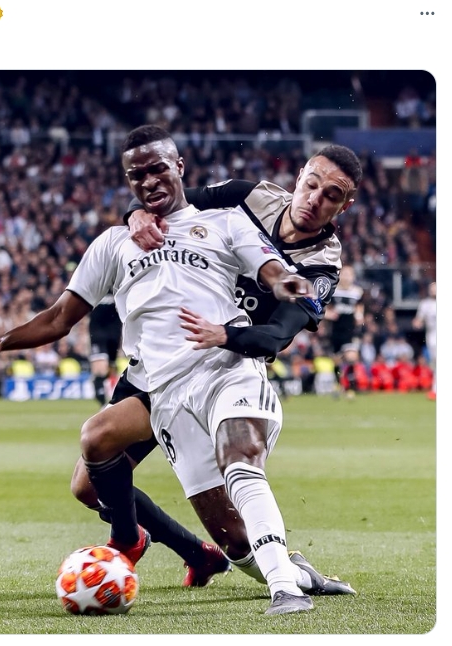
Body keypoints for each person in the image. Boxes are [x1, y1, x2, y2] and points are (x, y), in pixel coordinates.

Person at [0, 124, 319, 615]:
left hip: (219, 366)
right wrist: (0, 340)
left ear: (179, 166)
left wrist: (292, 285)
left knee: (233, 460)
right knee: (106, 471)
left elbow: (274, 272)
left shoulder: (224, 223)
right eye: (136, 175)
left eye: (158, 168)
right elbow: (59, 317)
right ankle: (225, 558)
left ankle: (280, 585)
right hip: (157, 386)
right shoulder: (113, 244)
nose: (148, 181)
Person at [70, 141, 362, 599]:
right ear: (299, 178)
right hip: (158, 363)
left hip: (220, 369)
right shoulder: (249, 196)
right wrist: (135, 214)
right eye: (311, 185)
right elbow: (169, 198)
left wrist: (224, 334)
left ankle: (286, 573)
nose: (314, 199)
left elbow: (275, 337)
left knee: (236, 531)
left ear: (345, 205)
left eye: (331, 196)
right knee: (89, 486)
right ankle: (196, 553)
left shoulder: (320, 268)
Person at [88, 292, 123, 406]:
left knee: (111, 367)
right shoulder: (95, 284)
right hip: (97, 330)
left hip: (115, 330)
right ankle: (101, 398)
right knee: (100, 368)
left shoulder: (122, 283)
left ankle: (100, 383)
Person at [412, 281, 436, 400]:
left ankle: (435, 390)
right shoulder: (425, 304)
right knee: (435, 363)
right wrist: (417, 323)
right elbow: (419, 319)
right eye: (432, 288)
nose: (434, 290)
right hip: (433, 337)